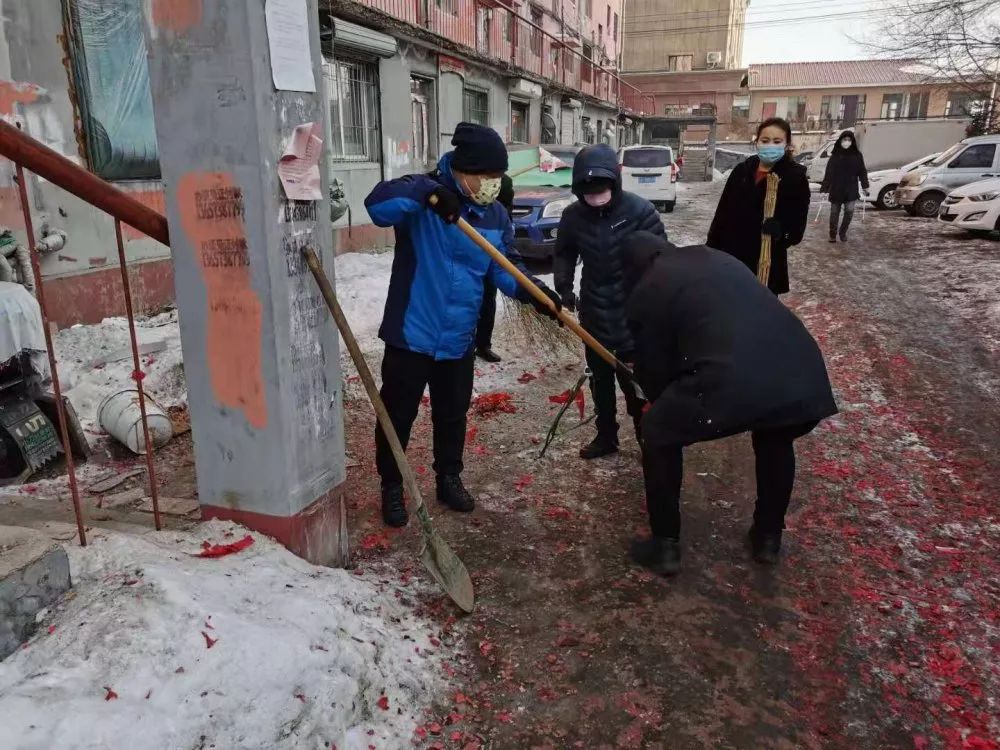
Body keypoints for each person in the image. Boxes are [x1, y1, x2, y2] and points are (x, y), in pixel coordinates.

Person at [365, 123, 561, 528]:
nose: (492, 184)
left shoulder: (495, 214)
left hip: (458, 339)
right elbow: (377, 205)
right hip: (411, 333)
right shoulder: (424, 199)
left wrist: (532, 292)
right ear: (461, 170)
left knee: (452, 415)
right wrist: (430, 194)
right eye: (485, 176)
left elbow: (505, 266)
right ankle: (391, 486)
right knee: (397, 415)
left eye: (497, 177)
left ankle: (448, 478)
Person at [622, 231, 838, 575]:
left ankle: (664, 546)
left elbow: (654, 366)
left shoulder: (648, 287)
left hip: (732, 377)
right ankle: (768, 536)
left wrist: (657, 404)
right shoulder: (717, 257)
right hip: (799, 371)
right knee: (775, 435)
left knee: (657, 432)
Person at [554, 143, 665, 460]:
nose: (595, 193)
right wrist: (564, 288)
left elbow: (661, 258)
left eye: (601, 186)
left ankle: (649, 437)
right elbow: (564, 253)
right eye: (587, 188)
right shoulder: (574, 217)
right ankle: (606, 436)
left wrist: (653, 303)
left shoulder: (640, 212)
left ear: (614, 182)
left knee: (636, 383)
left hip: (635, 313)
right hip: (595, 312)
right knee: (600, 382)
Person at [707, 117, 811, 296]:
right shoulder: (742, 170)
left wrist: (781, 231)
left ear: (787, 145)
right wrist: (711, 248)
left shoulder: (794, 177)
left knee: (760, 315)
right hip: (732, 257)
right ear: (757, 142)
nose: (770, 145)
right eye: (765, 140)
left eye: (777, 141)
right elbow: (722, 213)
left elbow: (797, 227)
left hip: (765, 262)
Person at [474, 174, 515, 363]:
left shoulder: (504, 183)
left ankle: (483, 345)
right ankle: (464, 346)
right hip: (469, 250)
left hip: (492, 252)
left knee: (488, 301)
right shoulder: (466, 183)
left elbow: (508, 213)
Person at [820, 131, 869, 243]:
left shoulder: (857, 155)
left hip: (851, 189)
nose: (846, 142)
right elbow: (829, 173)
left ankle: (843, 232)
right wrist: (824, 188)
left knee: (849, 211)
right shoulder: (835, 155)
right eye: (844, 139)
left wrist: (865, 186)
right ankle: (832, 234)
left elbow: (862, 171)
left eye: (849, 140)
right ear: (840, 141)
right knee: (834, 213)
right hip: (837, 188)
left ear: (852, 142)